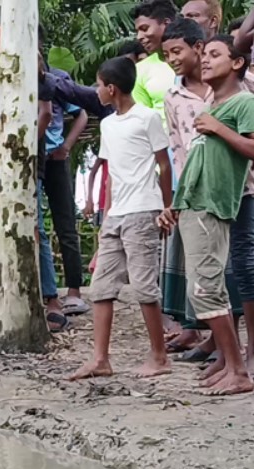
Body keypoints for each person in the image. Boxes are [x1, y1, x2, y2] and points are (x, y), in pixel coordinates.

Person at [159, 36, 254, 395]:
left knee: (207, 289)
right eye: (206, 54)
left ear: (237, 64)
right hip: (193, 205)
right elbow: (194, 165)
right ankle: (230, 366)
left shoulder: (244, 102)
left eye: (216, 55)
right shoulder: (213, 104)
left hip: (213, 206)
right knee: (205, 291)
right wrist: (175, 204)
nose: (206, 60)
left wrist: (219, 129)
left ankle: (239, 373)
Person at [69, 56, 172, 381]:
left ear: (111, 89)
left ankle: (159, 356)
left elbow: (164, 165)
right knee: (101, 287)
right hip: (116, 214)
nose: (96, 90)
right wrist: (106, 218)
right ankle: (100, 359)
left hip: (144, 210)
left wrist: (166, 207)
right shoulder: (109, 124)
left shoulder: (146, 119)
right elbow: (111, 174)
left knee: (144, 286)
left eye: (98, 85)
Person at [0, 6, 67, 332]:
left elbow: (44, 113)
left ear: (2, 30)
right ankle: (9, 294)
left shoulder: (34, 67)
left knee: (35, 228)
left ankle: (50, 297)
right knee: (4, 228)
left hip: (27, 162)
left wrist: (24, 147)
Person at [45, 61, 90, 316]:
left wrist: (66, 146)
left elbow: (81, 114)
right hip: (27, 159)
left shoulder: (58, 78)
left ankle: (74, 290)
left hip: (55, 157)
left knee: (66, 224)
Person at [132, 0, 179, 128]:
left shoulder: (199, 60)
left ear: (166, 24)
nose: (139, 37)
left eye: (144, 29)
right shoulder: (139, 70)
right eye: (137, 31)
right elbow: (143, 121)